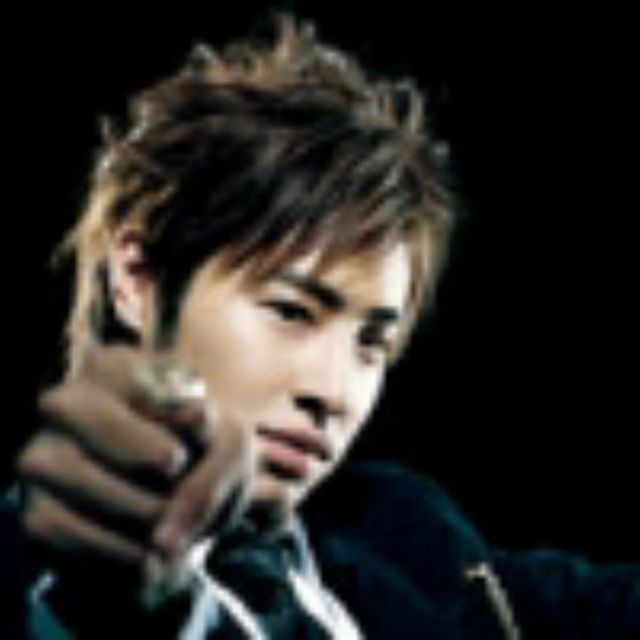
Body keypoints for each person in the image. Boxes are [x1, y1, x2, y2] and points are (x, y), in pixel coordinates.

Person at [1, 13, 638, 640]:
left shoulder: (407, 532)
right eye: (291, 312)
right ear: (137, 278)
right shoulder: (44, 572)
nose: (334, 393)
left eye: (372, 343)